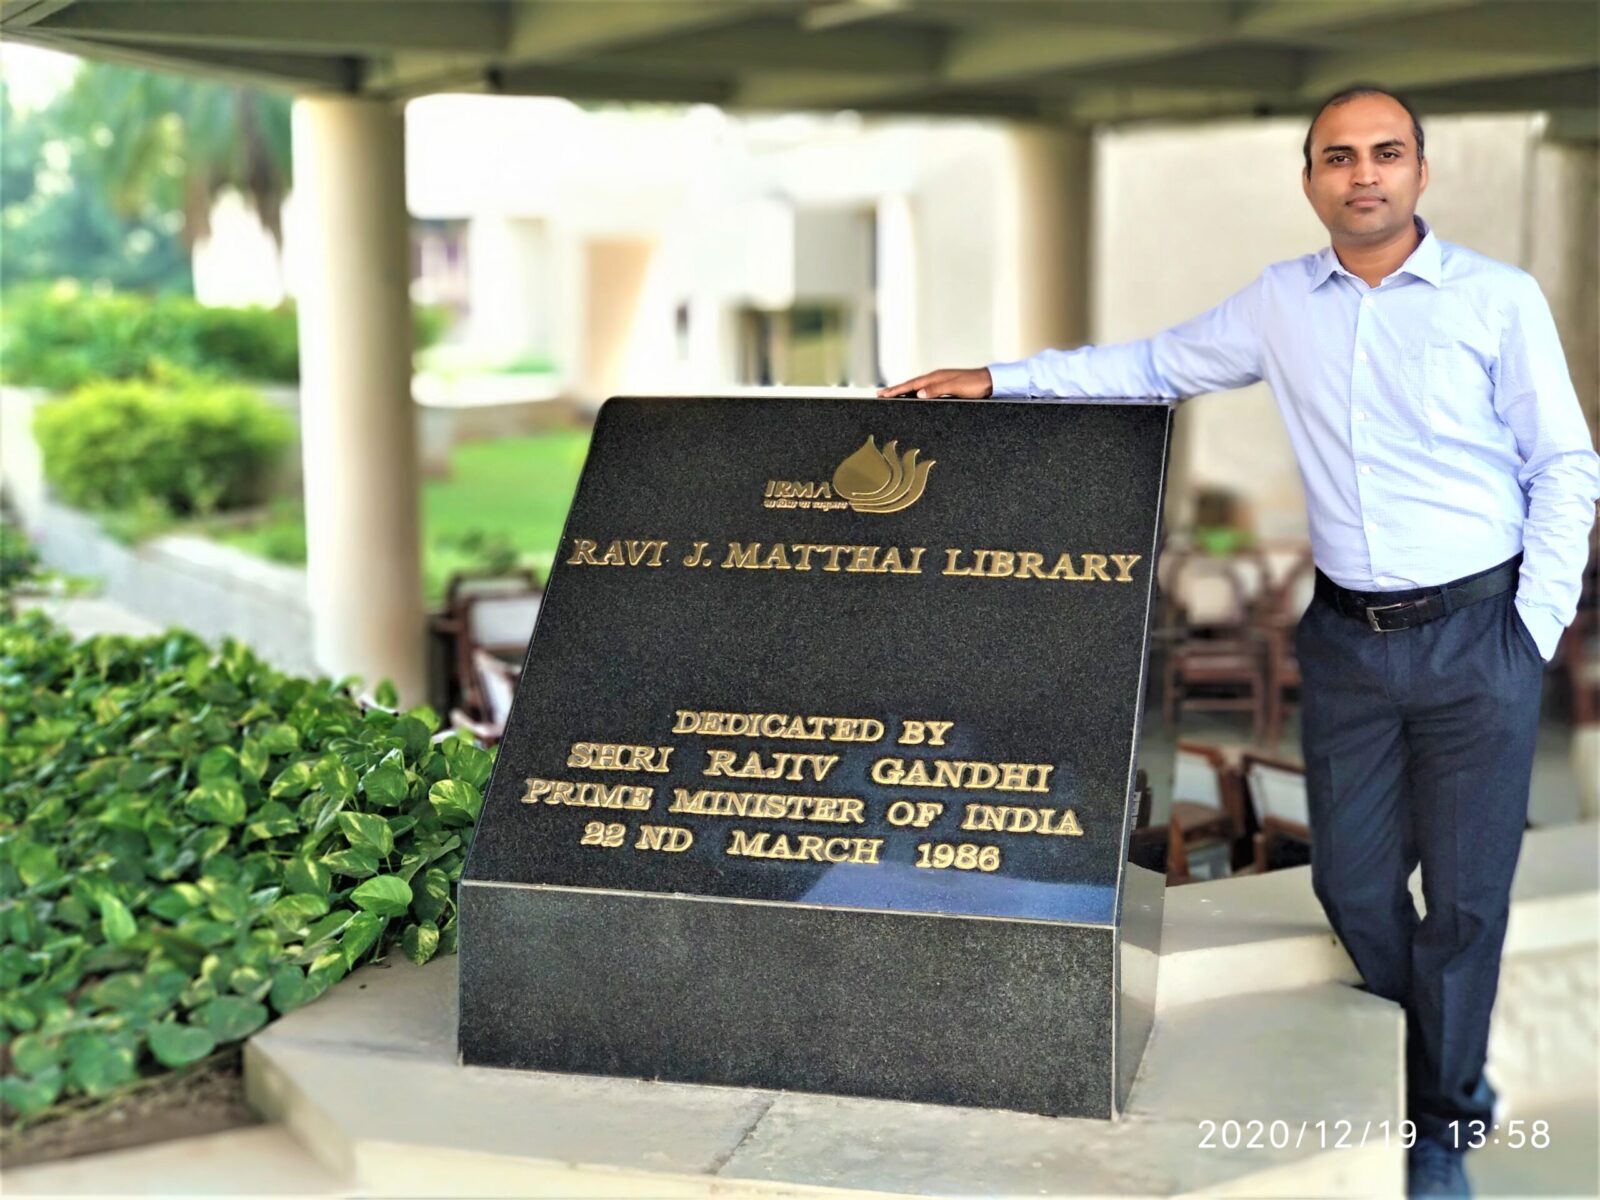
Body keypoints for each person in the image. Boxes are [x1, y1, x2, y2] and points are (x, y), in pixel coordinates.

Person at [879, 85, 1600, 1199]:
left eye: (1385, 154)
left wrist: (1529, 631)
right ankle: (1443, 1055)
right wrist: (999, 379)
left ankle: (1442, 1125)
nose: (1363, 174)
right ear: (1309, 179)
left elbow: (1564, 465)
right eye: (1338, 157)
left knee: (1463, 901)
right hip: (1349, 643)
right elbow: (1154, 365)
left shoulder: (1497, 301)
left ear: (1421, 171)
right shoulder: (1280, 303)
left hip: (1477, 637)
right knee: (1353, 888)